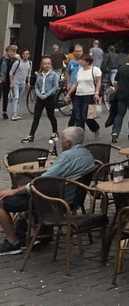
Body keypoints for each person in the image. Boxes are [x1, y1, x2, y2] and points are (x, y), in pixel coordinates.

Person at [0, 126, 95, 254]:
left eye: (62, 139)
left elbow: (40, 183)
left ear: (68, 143)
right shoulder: (87, 154)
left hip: (53, 201)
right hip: (74, 198)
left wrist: (14, 191)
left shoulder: (66, 157)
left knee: (2, 201)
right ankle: (37, 231)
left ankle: (12, 242)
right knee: (29, 195)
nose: (60, 142)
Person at [22, 56, 60, 143]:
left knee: (51, 116)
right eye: (45, 64)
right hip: (40, 98)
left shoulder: (54, 75)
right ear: (42, 65)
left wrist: (46, 95)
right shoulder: (39, 75)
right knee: (36, 116)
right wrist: (39, 94)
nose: (46, 65)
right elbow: (36, 86)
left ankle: (55, 132)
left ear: (50, 65)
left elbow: (55, 87)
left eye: (48, 64)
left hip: (49, 97)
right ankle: (31, 135)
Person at [67, 52, 101, 135]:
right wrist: (69, 93)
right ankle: (80, 133)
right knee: (78, 116)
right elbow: (76, 83)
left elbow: (98, 81)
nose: (80, 62)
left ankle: (95, 128)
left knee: (86, 116)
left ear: (87, 62)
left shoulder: (95, 70)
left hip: (89, 95)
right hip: (78, 95)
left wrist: (96, 93)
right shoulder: (80, 71)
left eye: (82, 60)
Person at [8, 49, 32, 121]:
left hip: (23, 83)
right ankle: (14, 114)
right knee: (16, 97)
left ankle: (16, 113)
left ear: (29, 55)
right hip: (16, 82)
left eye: (27, 54)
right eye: (24, 54)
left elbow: (29, 73)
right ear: (22, 55)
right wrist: (11, 82)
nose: (25, 55)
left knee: (18, 99)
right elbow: (11, 72)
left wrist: (28, 82)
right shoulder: (17, 62)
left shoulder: (30, 63)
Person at [0, 45, 17, 120]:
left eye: (13, 52)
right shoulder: (2, 59)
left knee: (5, 97)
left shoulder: (15, 60)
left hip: (9, 81)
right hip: (1, 79)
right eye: (10, 51)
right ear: (7, 52)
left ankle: (4, 112)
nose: (11, 53)